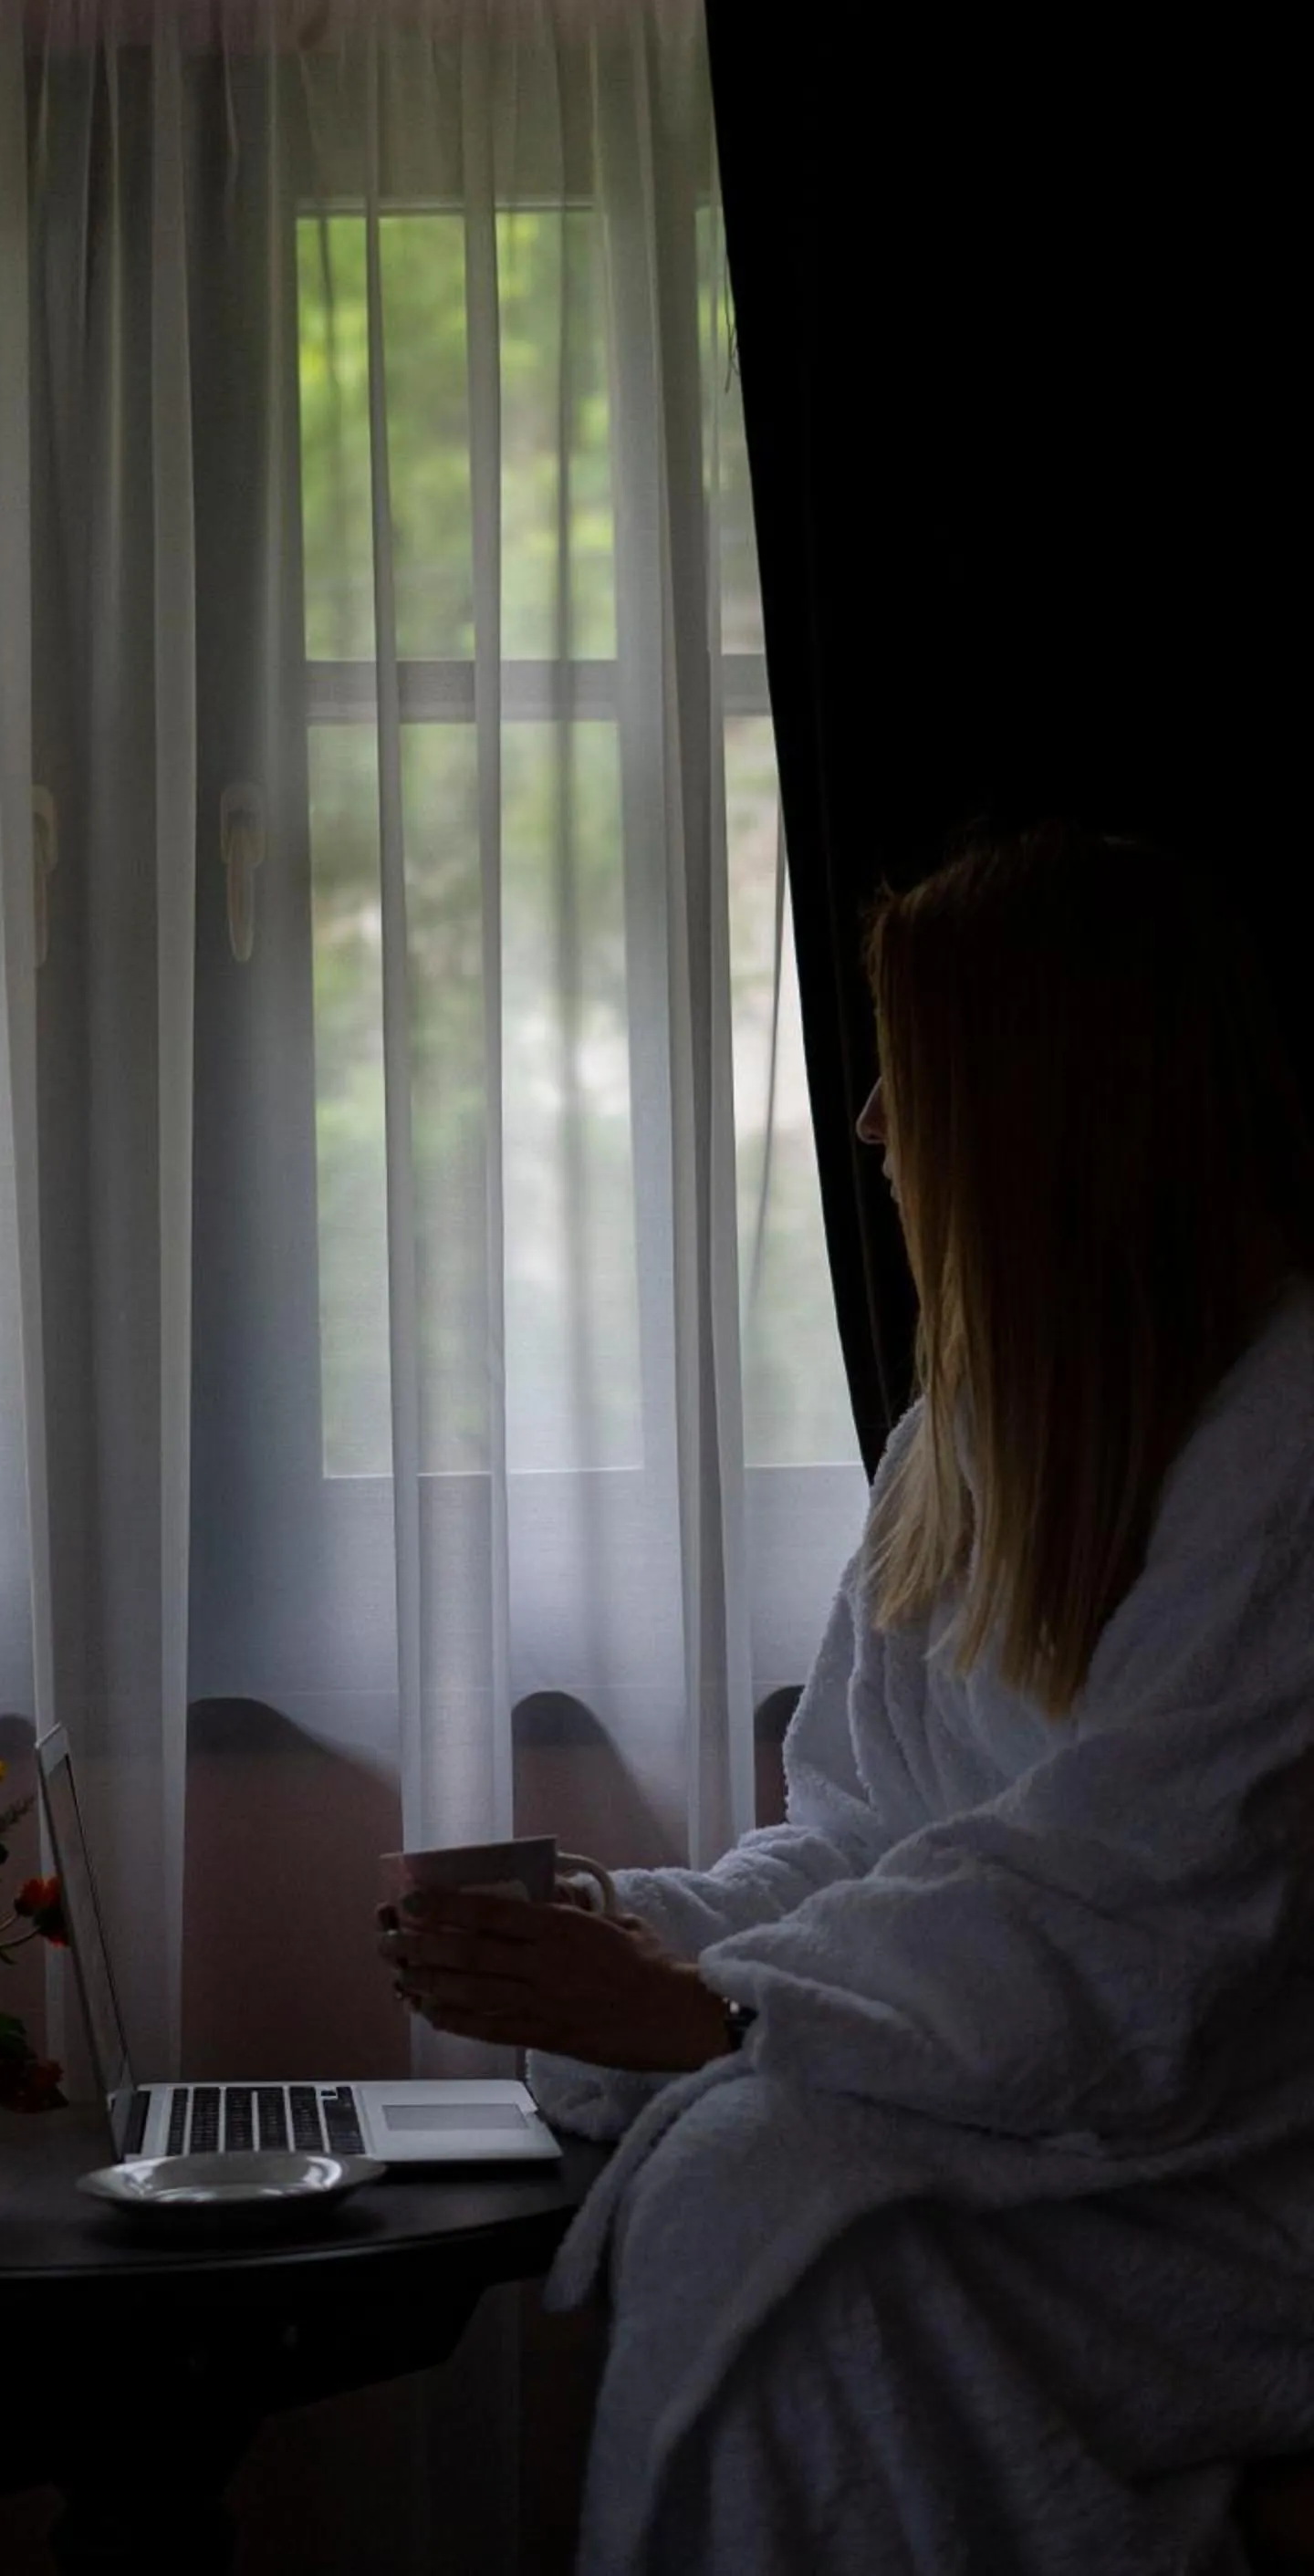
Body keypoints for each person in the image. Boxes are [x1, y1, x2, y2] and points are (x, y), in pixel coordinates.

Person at [377, 819, 1314, 2575]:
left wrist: (716, 2012)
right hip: (1037, 2127)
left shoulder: (1286, 1454)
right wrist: (620, 1937)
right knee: (755, 2184)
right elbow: (868, 1836)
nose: (871, 1124)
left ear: (1060, 1108)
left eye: (909, 1075)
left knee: (769, 2200)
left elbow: (1148, 1920)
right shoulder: (955, 1455)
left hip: (1229, 2177)